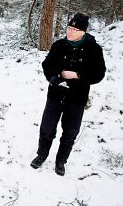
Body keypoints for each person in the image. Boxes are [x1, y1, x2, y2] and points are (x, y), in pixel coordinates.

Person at [30, 13, 106, 176]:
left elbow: (99, 74)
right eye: (69, 28)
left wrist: (78, 75)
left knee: (70, 132)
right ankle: (41, 155)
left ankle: (60, 162)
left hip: (77, 98)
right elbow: (47, 65)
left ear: (83, 31)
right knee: (47, 128)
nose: (70, 31)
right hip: (55, 95)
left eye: (74, 29)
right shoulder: (59, 45)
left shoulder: (94, 49)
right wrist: (53, 77)